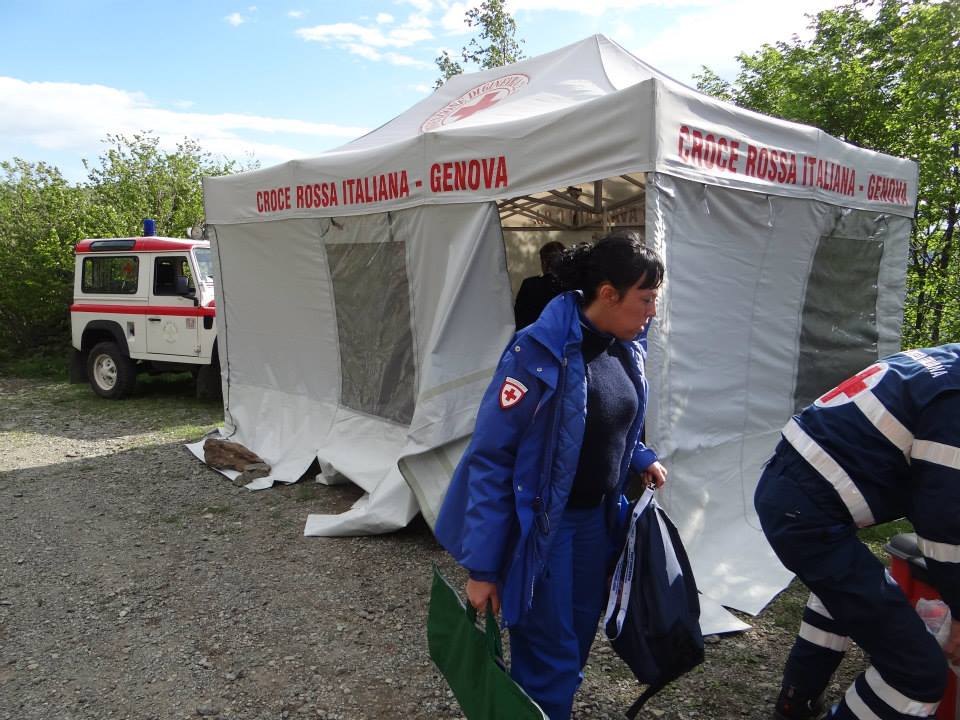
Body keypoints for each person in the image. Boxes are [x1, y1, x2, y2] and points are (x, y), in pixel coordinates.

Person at [434, 233, 668, 720]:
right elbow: (493, 458)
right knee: (549, 654)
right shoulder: (536, 352)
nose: (651, 312)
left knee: (575, 643)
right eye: (645, 300)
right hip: (546, 530)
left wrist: (639, 455)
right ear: (608, 293)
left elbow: (604, 420)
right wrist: (483, 568)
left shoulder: (622, 346)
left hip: (596, 525)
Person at [754, 344, 960, 720]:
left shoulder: (942, 362)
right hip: (807, 510)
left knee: (840, 599)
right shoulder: (955, 402)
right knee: (918, 675)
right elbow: (943, 520)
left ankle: (794, 704)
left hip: (790, 487)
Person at [514, 241, 566, 329]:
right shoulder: (570, 286)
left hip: (533, 337)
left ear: (544, 263)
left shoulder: (530, 285)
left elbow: (518, 318)